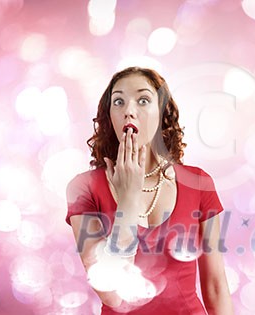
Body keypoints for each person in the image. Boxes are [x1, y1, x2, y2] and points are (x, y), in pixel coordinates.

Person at [65, 67, 234, 314]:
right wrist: (129, 199)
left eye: (143, 100)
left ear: (162, 113)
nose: (129, 111)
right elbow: (112, 295)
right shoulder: (84, 188)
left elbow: (216, 286)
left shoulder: (198, 182)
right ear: (109, 116)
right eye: (119, 102)